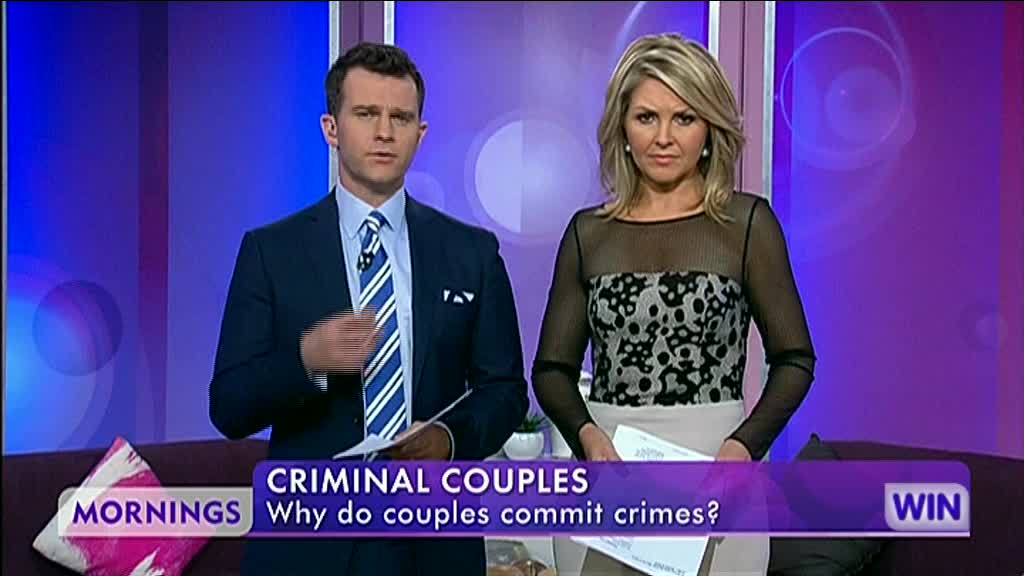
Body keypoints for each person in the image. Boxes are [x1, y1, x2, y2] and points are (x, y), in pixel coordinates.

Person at [209, 42, 529, 576]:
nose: (384, 132)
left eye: (400, 118)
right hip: (308, 543)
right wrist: (306, 361)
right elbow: (229, 406)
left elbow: (505, 389)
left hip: (433, 541)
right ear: (331, 129)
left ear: (420, 134)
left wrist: (449, 440)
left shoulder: (471, 253)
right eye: (365, 114)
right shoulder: (271, 252)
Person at [532, 33, 816, 575]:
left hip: (718, 470)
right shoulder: (588, 233)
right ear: (622, 126)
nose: (663, 138)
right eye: (647, 118)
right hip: (607, 470)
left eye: (684, 118)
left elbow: (795, 360)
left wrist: (744, 448)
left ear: (709, 128)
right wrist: (586, 436)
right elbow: (551, 370)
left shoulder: (747, 224)